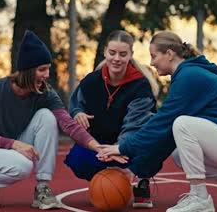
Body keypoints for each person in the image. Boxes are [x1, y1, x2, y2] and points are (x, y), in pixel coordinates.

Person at [97, 31, 217, 212]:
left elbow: (161, 123)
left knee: (182, 124)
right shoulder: (186, 74)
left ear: (170, 54)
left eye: (154, 56)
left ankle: (200, 198)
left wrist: (122, 148)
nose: (151, 62)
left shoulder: (189, 77)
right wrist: (136, 166)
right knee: (178, 152)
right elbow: (163, 135)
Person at [0, 30, 100, 210]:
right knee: (23, 166)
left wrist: (95, 146)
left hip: (8, 144)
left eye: (48, 68)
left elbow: (67, 123)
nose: (47, 74)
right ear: (26, 71)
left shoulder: (45, 93)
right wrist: (16, 145)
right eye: (42, 69)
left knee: (47, 116)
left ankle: (42, 189)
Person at [64, 30, 159, 208]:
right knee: (77, 159)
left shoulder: (140, 87)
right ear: (105, 52)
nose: (117, 58)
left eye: (123, 54)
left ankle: (142, 183)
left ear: (130, 54)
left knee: (152, 153)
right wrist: (78, 112)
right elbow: (75, 103)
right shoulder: (92, 81)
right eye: (112, 53)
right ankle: (104, 183)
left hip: (130, 143)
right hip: (100, 141)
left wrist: (118, 149)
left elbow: (133, 126)